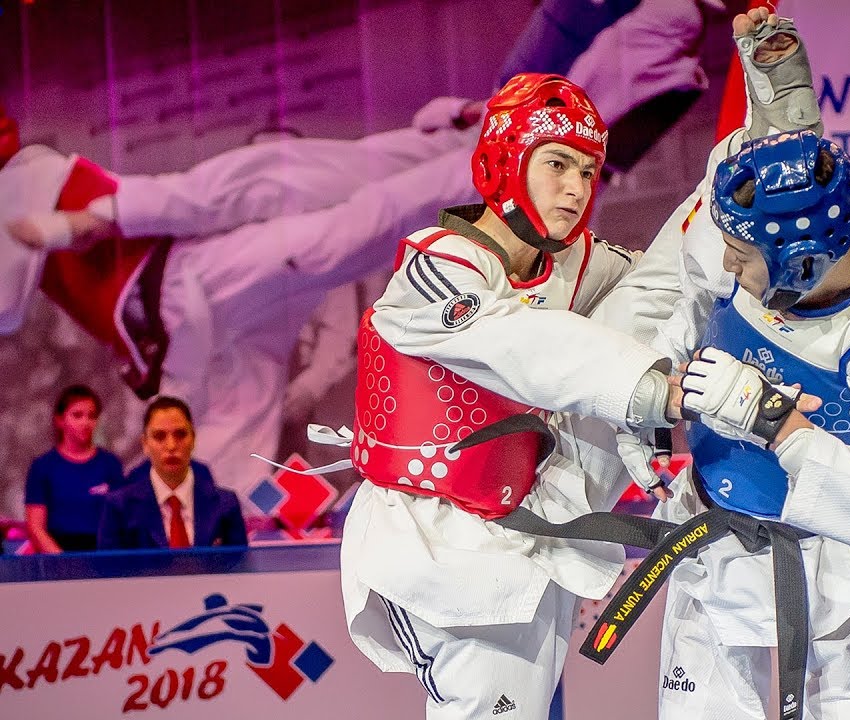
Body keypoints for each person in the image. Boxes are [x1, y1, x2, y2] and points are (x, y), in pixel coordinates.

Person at [0, 0, 714, 501]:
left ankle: (618, 72)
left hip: (186, 290)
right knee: (365, 213)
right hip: (191, 309)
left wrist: (95, 217)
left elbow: (193, 199)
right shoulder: (210, 353)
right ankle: (621, 72)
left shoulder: (243, 180)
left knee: (362, 203)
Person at [581, 11, 850, 720]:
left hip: (835, 575)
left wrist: (779, 424)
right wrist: (650, 398)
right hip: (714, 533)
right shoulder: (756, 246)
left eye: (742, 256)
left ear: (801, 264)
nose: (726, 263)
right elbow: (691, 304)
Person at [336, 69, 704, 720]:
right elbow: (518, 342)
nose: (577, 189)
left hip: (535, 519)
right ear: (503, 163)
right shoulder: (435, 263)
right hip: (441, 539)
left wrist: (744, 160)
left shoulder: (578, 262)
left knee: (657, 290)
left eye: (588, 171)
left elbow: (662, 284)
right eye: (557, 164)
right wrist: (648, 391)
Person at [98, 396, 248, 550]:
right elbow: (109, 565)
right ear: (145, 444)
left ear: (193, 439)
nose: (171, 446)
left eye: (180, 434)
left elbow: (240, 564)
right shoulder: (119, 508)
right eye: (159, 436)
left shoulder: (226, 505)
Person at [24, 384, 125, 552]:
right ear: (60, 420)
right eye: (77, 415)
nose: (85, 422)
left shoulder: (111, 464)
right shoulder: (42, 467)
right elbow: (36, 529)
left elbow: (121, 521)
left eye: (92, 416)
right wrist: (63, 562)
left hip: (104, 556)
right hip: (57, 556)